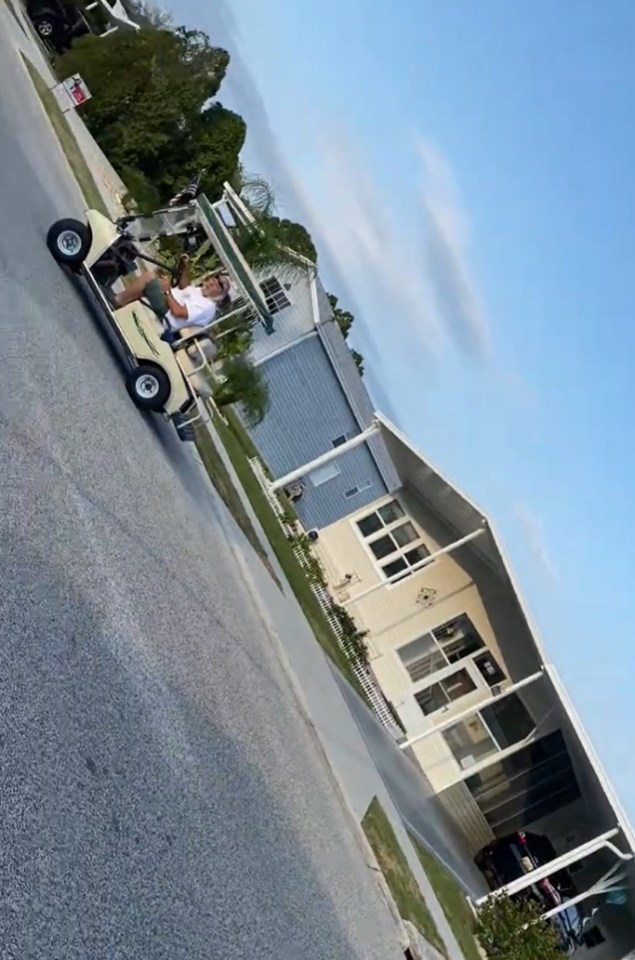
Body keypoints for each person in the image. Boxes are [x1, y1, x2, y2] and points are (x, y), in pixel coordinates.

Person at [111, 255, 231, 343]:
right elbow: (185, 287)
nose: (213, 282)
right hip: (167, 306)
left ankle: (117, 301)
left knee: (150, 278)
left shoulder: (207, 307)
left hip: (168, 316)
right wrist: (185, 267)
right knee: (153, 284)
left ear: (221, 293)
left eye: (218, 284)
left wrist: (167, 291)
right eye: (214, 279)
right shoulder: (201, 292)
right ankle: (122, 307)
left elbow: (178, 312)